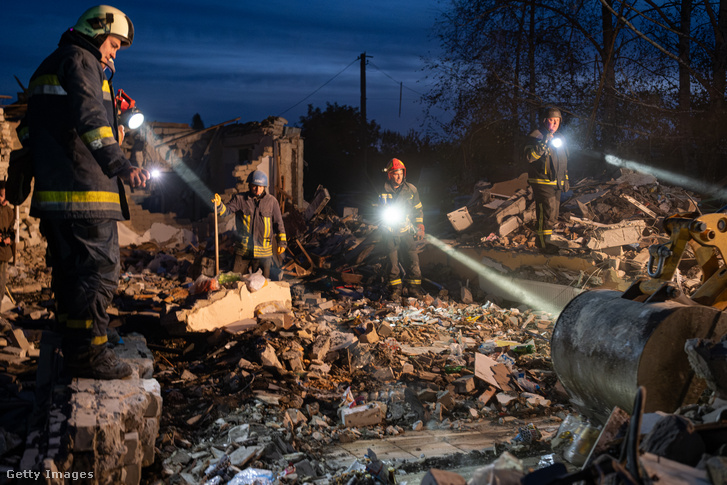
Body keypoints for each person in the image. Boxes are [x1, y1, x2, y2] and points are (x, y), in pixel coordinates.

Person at [25, 6, 149, 379]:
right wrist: (121, 164)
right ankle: (89, 356)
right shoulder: (81, 61)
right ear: (96, 32)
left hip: (56, 198)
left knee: (69, 275)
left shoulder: (50, 64)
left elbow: (36, 132)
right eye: (113, 44)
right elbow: (91, 122)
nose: (113, 53)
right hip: (86, 196)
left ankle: (76, 343)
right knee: (98, 274)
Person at [213, 170, 287, 279]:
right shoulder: (239, 199)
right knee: (236, 281)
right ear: (249, 185)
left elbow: (279, 224)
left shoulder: (272, 202)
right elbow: (225, 212)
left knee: (262, 284)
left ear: (264, 187)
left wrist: (282, 243)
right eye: (254, 186)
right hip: (243, 251)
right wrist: (219, 205)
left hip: (263, 253)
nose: (257, 190)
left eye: (261, 187)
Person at [523, 107, 569, 254]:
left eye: (557, 121)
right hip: (541, 180)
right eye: (551, 120)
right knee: (546, 212)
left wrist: (565, 179)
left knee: (553, 214)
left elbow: (563, 161)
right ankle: (543, 245)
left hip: (555, 182)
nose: (555, 124)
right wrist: (543, 144)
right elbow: (529, 157)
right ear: (544, 121)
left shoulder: (560, 138)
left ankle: (547, 241)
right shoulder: (536, 135)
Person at [379, 158, 425, 300]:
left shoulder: (411, 190)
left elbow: (418, 209)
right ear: (390, 175)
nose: (398, 177)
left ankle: (414, 289)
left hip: (406, 231)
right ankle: (396, 290)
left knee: (413, 260)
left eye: (400, 173)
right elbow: (375, 209)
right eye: (395, 173)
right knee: (392, 264)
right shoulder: (382, 190)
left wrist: (420, 226)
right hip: (390, 232)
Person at [0, 182, 15, 298]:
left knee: (1, 283)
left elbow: (12, 231)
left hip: (3, 253)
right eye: (1, 195)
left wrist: (9, 239)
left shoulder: (10, 212)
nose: (4, 198)